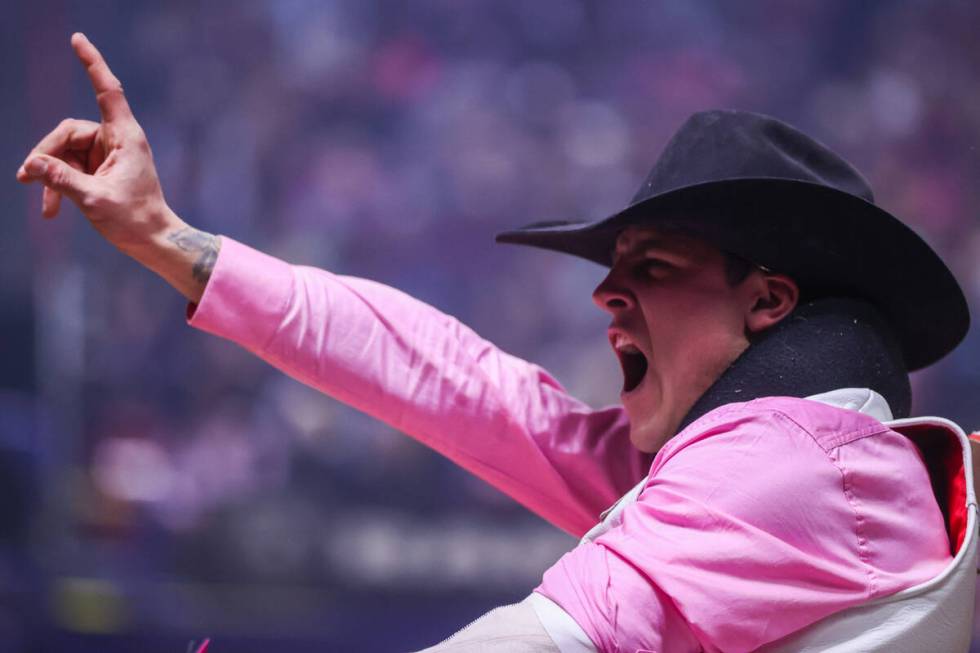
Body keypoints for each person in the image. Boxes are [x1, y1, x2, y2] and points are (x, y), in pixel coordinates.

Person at [17, 33, 979, 652]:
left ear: (767, 301)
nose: (605, 290)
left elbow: (541, 642)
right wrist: (170, 238)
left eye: (650, 265)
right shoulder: (787, 461)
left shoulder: (783, 470)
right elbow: (455, 380)